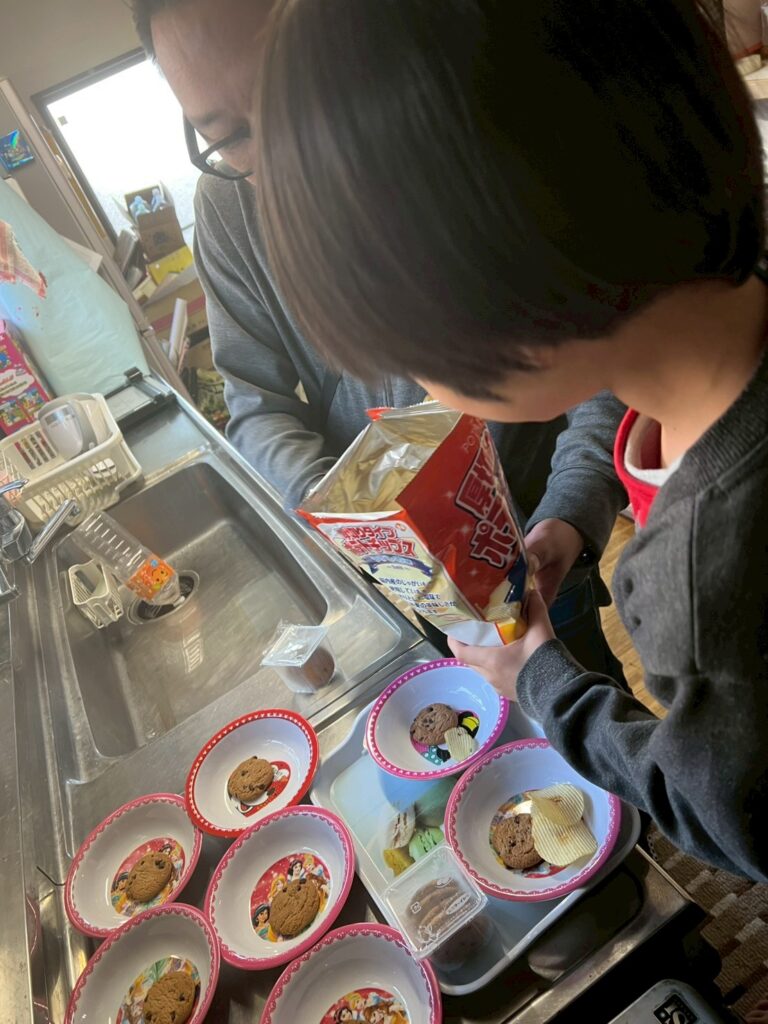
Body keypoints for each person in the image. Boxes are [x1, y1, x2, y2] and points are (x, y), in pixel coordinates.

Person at [253, 0, 768, 879]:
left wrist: (540, 678)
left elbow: (730, 816)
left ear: (499, 283)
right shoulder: (706, 346)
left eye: (411, 354)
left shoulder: (702, 569)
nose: (421, 389)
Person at [131, 0, 628, 678]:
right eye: (232, 136)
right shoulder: (228, 207)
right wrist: (365, 532)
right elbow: (256, 405)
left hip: (537, 540)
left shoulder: (474, 126)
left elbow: (607, 351)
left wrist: (569, 511)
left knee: (581, 703)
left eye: (294, 94)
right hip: (391, 579)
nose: (283, 160)